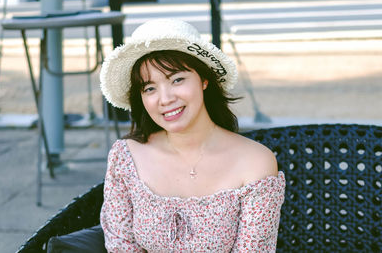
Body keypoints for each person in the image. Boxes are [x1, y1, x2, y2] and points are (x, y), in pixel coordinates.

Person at [99, 19, 285, 252]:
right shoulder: (126, 157)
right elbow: (120, 246)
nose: (165, 99)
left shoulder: (256, 162)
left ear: (204, 80)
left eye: (177, 80)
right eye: (150, 88)